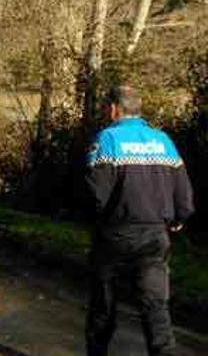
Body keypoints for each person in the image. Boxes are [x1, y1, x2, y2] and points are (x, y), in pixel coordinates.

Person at [85, 85, 195, 356]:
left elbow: (95, 194)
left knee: (104, 308)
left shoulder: (107, 140)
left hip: (116, 236)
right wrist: (180, 216)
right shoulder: (163, 141)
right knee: (156, 308)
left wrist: (93, 221)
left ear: (113, 108)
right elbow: (184, 192)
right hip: (156, 237)